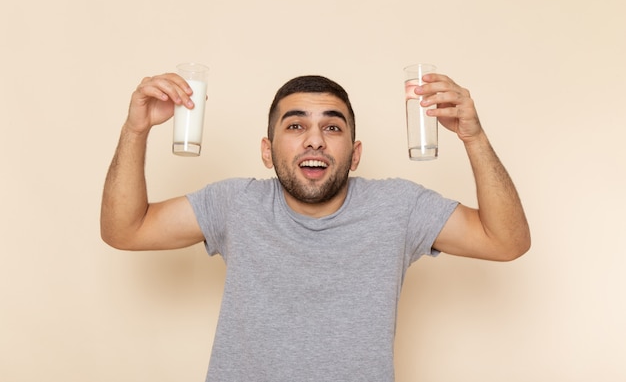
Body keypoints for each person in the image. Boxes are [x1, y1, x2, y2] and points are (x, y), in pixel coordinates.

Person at [100, 71, 530, 382]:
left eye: (331, 126)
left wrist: (473, 137)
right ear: (267, 152)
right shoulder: (236, 204)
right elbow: (125, 230)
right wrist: (136, 129)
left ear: (355, 153)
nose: (314, 139)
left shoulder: (398, 207)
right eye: (295, 125)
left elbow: (506, 241)